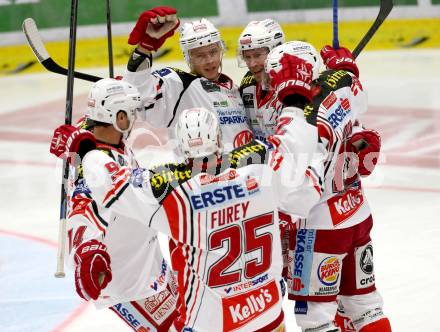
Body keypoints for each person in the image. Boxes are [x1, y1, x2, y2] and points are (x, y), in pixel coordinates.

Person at [48, 71, 322, 330]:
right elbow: (294, 151)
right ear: (218, 139)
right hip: (262, 309)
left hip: (197, 308)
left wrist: (85, 150)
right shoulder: (260, 171)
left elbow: (113, 187)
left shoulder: (177, 196)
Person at [264, 41, 391, 332]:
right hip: (356, 212)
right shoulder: (341, 84)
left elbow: (296, 196)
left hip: (320, 229)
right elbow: (360, 97)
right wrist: (345, 70)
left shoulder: (301, 122)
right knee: (366, 307)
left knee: (316, 320)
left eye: (274, 77)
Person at [49, 78, 179, 331]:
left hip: (148, 261)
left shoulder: (99, 136)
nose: (135, 119)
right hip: (128, 278)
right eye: (131, 113)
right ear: (119, 116)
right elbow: (82, 211)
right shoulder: (94, 168)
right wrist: (87, 252)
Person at [124, 6, 253, 153]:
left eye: (213, 52)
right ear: (188, 58)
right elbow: (137, 93)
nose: (209, 60)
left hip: (245, 173)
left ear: (221, 49)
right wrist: (144, 48)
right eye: (200, 55)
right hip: (201, 174)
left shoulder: (236, 90)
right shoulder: (180, 86)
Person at [237, 19, 285, 144]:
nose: (252, 64)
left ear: (276, 49)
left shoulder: (294, 86)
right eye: (247, 57)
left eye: (257, 55)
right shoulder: (247, 84)